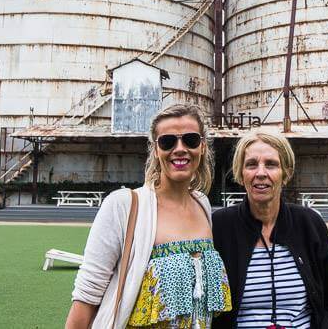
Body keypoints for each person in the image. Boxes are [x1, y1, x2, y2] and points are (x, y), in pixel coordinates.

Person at [66, 104, 231, 328]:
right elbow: (87, 294)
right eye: (168, 141)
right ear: (155, 149)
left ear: (202, 146)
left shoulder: (202, 204)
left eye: (190, 140)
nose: (180, 148)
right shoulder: (124, 205)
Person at [212, 130, 328, 329]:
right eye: (251, 164)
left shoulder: (309, 223)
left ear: (285, 174)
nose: (261, 173)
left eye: (271, 164)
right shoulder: (220, 226)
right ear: (240, 173)